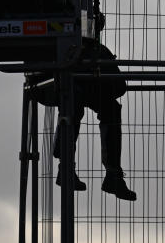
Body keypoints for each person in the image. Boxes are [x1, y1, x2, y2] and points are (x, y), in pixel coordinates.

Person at [33, 38, 137, 201]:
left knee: (110, 108)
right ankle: (66, 167)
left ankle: (113, 175)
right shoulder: (56, 45)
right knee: (72, 101)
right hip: (51, 81)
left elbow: (119, 86)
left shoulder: (95, 49)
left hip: (80, 83)